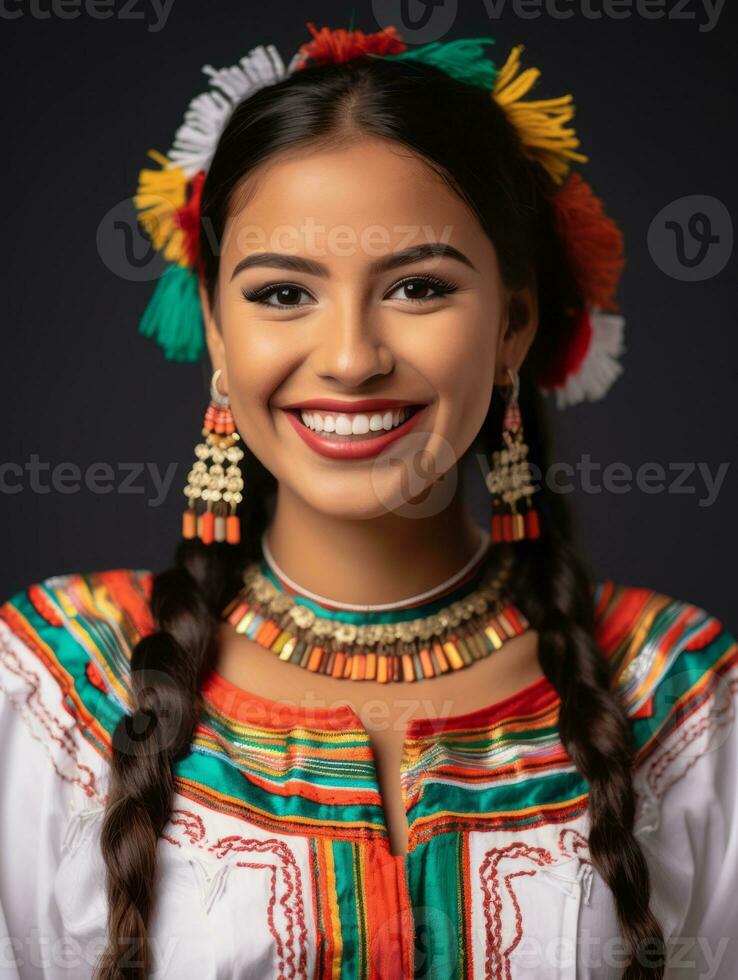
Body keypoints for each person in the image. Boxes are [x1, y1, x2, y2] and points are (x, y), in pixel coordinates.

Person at [0, 21, 735, 980]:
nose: (351, 360)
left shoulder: (679, 696)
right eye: (280, 295)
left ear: (513, 323)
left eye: (419, 287)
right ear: (217, 331)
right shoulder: (57, 685)